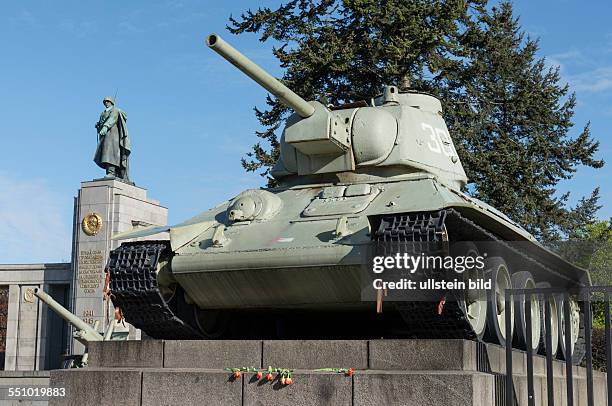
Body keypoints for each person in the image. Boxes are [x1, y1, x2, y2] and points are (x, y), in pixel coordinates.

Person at [94, 96, 131, 181]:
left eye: (108, 101)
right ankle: (110, 172)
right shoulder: (103, 113)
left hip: (113, 135)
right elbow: (102, 123)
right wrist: (99, 126)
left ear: (111, 102)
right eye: (105, 102)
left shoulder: (115, 110)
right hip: (105, 136)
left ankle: (112, 171)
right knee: (106, 153)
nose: (106, 103)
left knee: (110, 153)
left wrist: (105, 127)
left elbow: (112, 119)